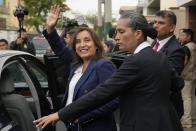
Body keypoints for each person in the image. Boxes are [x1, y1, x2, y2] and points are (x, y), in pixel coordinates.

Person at [34, 11, 183, 131]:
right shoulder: (160, 57)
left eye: (121, 31)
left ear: (137, 34)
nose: (116, 37)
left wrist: (59, 114)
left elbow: (102, 93)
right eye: (78, 42)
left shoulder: (134, 61)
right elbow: (177, 84)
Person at [40, 5, 118, 131]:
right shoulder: (76, 64)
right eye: (78, 42)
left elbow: (114, 100)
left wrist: (81, 117)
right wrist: (50, 28)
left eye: (87, 40)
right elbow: (60, 48)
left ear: (96, 45)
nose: (82, 45)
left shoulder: (103, 65)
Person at [153, 10, 185, 118]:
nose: (155, 26)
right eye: (155, 22)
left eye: (161, 23)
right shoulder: (154, 43)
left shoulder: (176, 49)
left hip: (168, 107)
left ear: (172, 28)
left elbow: (170, 78)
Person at [178, 28, 196, 128]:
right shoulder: (194, 45)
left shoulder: (185, 48)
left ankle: (187, 121)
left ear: (188, 36)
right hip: (193, 75)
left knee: (186, 99)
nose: (180, 37)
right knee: (192, 97)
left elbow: (183, 63)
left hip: (186, 76)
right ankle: (193, 119)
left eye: (182, 35)